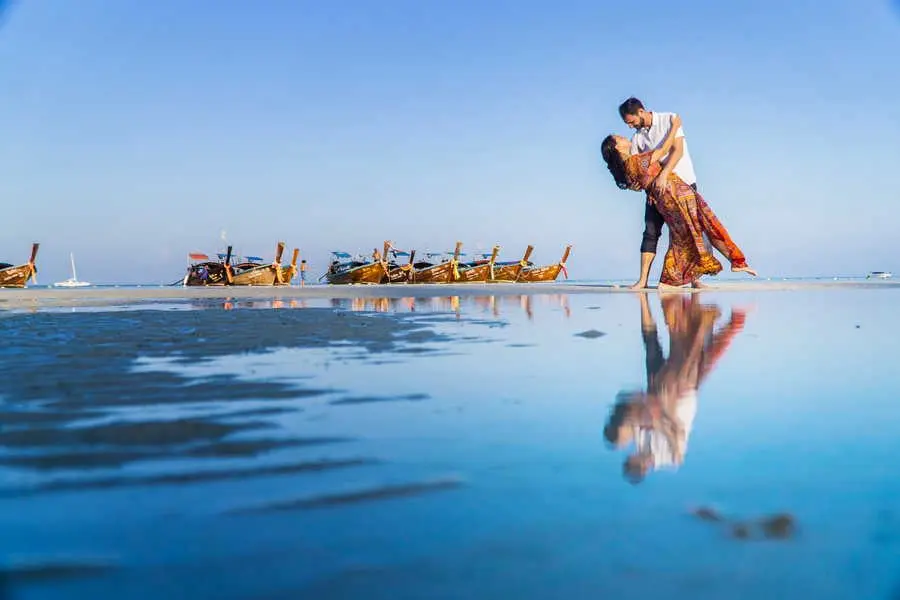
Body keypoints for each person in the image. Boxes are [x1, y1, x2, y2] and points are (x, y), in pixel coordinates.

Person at [603, 294, 748, 484]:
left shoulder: (640, 444)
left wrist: (640, 411)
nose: (634, 455)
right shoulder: (668, 459)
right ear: (643, 467)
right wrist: (659, 420)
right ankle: (696, 315)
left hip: (661, 392)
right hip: (680, 399)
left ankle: (693, 314)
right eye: (633, 460)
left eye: (630, 458)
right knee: (691, 354)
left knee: (693, 355)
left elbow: (641, 415)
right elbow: (677, 440)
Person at [600, 114, 756, 288]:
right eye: (619, 138)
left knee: (685, 235)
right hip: (678, 193)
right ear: (616, 147)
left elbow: (639, 185)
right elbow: (664, 149)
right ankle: (735, 262)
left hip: (663, 200)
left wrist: (651, 187)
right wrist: (675, 127)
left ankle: (684, 277)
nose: (624, 137)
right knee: (707, 225)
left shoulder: (626, 170)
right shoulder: (637, 161)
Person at [619, 98, 733, 289]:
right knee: (650, 231)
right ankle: (642, 280)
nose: (631, 127)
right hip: (656, 191)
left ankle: (695, 279)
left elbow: (677, 151)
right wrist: (650, 186)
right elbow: (641, 168)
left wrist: (664, 174)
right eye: (627, 124)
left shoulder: (669, 119)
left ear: (641, 111)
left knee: (690, 231)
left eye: (631, 122)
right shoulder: (637, 139)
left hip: (684, 183)